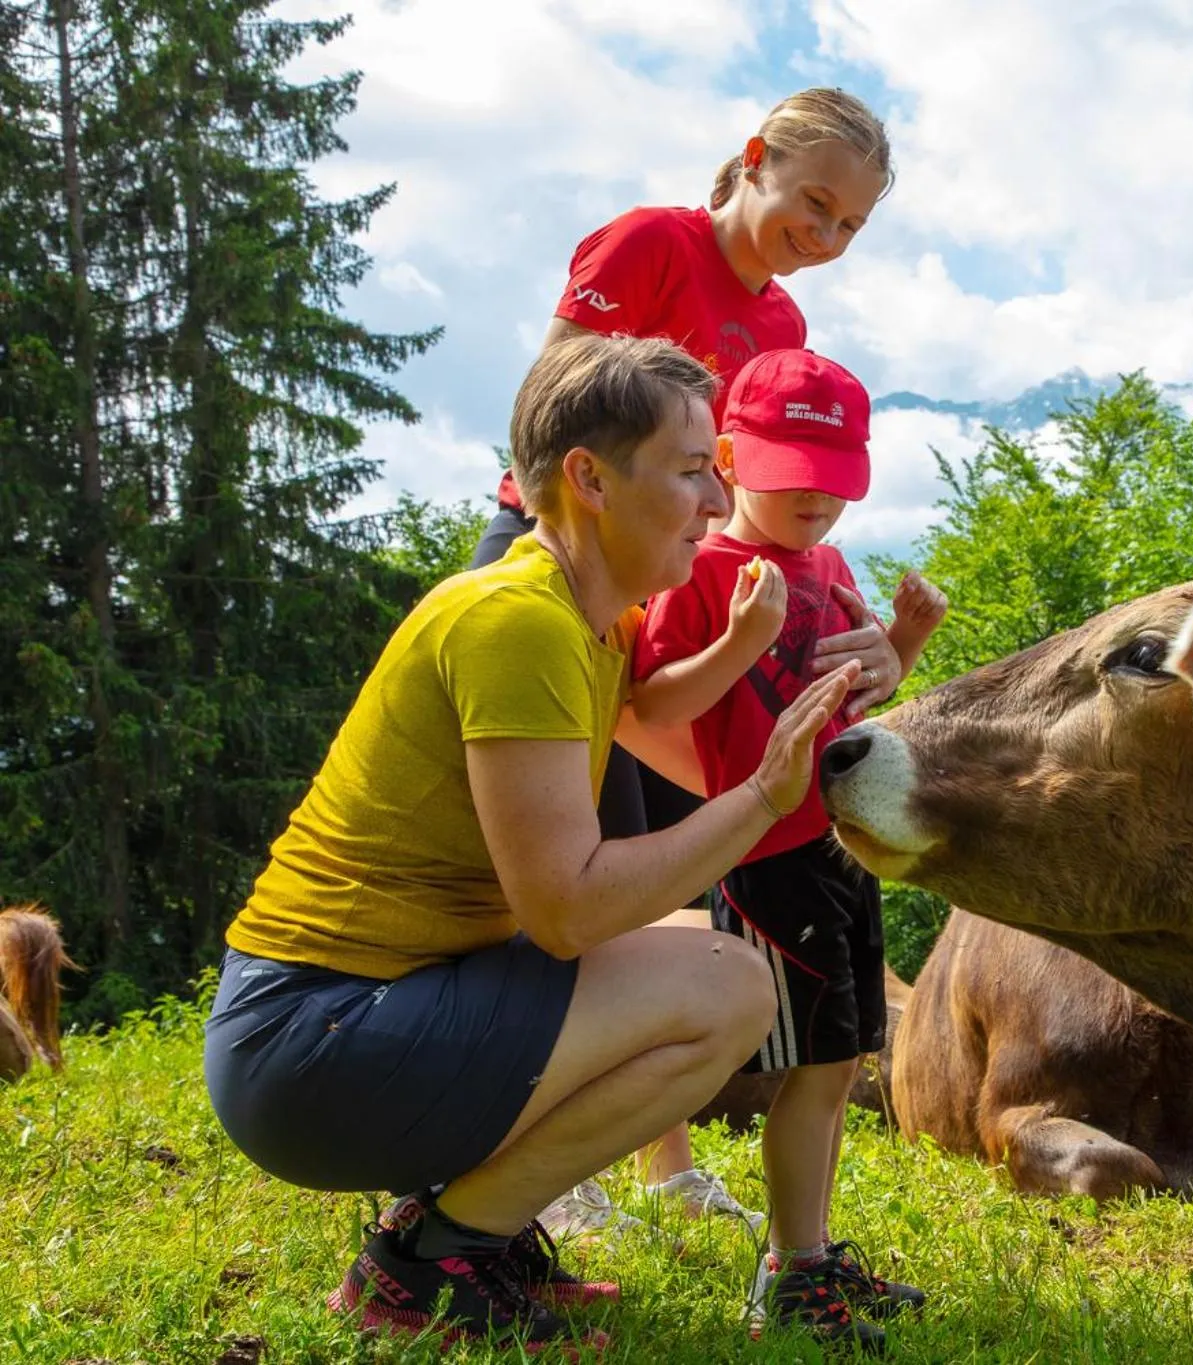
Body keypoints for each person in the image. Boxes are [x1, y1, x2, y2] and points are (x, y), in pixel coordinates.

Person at [204, 335, 857, 1353]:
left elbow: (639, 815)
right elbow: (568, 912)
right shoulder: (518, 624)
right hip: (308, 1045)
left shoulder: (586, 621)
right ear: (589, 478)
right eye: (692, 474)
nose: (719, 508)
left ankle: (455, 1237)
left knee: (701, 950)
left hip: (347, 1023)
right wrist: (764, 798)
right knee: (728, 982)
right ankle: (432, 1266)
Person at [471, 88, 907, 1233]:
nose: (824, 239)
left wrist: (821, 620)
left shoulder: (785, 338)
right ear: (753, 160)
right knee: (565, 859)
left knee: (665, 858)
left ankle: (659, 1158)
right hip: (560, 563)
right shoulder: (650, 245)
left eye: (849, 228)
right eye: (813, 203)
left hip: (689, 607)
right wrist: (571, 576)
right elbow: (551, 410)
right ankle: (540, 1156)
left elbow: (744, 502)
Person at [631, 349, 947, 1352]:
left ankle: (804, 1257)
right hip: (764, 850)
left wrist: (903, 645)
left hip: (840, 840)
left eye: (832, 474)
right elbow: (650, 703)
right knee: (809, 1064)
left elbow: (854, 704)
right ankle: (790, 1272)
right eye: (786, 467)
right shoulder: (704, 570)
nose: (812, 494)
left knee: (840, 1057)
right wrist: (735, 641)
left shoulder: (830, 567)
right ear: (727, 456)